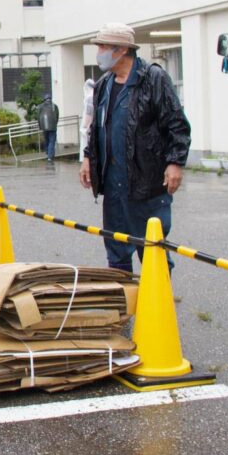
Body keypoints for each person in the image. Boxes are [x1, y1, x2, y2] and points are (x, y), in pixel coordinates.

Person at [79, 22, 191, 273]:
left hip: (147, 183)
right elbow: (96, 128)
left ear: (121, 50)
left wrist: (175, 163)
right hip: (113, 184)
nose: (98, 53)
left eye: (103, 47)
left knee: (152, 249)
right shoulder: (104, 85)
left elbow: (177, 124)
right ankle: (124, 308)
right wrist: (88, 158)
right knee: (116, 251)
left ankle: (157, 307)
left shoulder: (153, 78)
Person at [37, 93, 60, 162]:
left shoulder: (40, 107)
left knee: (47, 140)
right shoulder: (54, 106)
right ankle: (50, 156)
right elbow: (57, 116)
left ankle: (48, 153)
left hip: (44, 127)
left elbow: (38, 117)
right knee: (52, 141)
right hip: (53, 127)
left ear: (44, 99)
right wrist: (55, 124)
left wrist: (40, 126)